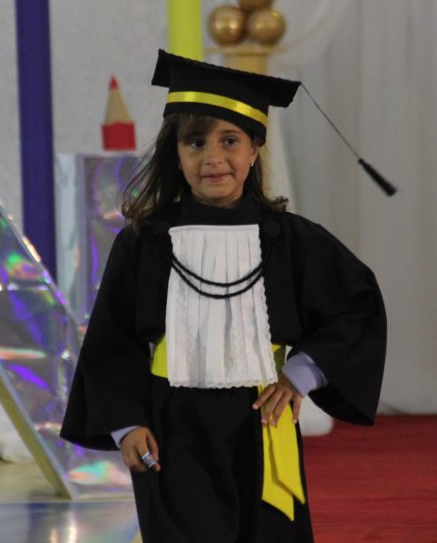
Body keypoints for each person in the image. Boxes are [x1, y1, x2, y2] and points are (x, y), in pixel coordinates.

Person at [59, 49, 387, 543]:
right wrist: (127, 424)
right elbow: (113, 339)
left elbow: (355, 307)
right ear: (177, 153)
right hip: (172, 428)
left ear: (255, 148)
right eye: (195, 143)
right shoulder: (145, 242)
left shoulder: (289, 239)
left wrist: (300, 375)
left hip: (263, 420)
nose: (213, 157)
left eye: (229, 141)